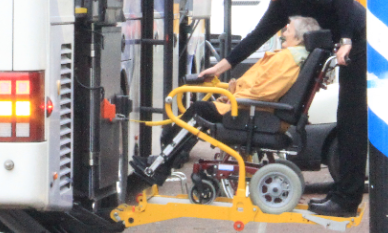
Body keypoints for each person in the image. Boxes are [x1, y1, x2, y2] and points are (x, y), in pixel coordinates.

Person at [201, 0, 366, 217]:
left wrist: (345, 41)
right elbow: (257, 36)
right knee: (347, 121)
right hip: (347, 48)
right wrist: (219, 68)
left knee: (352, 122)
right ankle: (342, 195)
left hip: (359, 42)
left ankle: (346, 201)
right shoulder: (282, 4)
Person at [130, 16, 320, 186]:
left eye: (288, 30)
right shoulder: (291, 58)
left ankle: (160, 164)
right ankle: (164, 159)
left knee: (198, 110)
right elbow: (262, 88)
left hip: (254, 112)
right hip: (254, 109)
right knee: (199, 112)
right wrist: (232, 95)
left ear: (298, 38)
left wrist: (233, 99)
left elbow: (266, 91)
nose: (284, 32)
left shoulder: (288, 59)